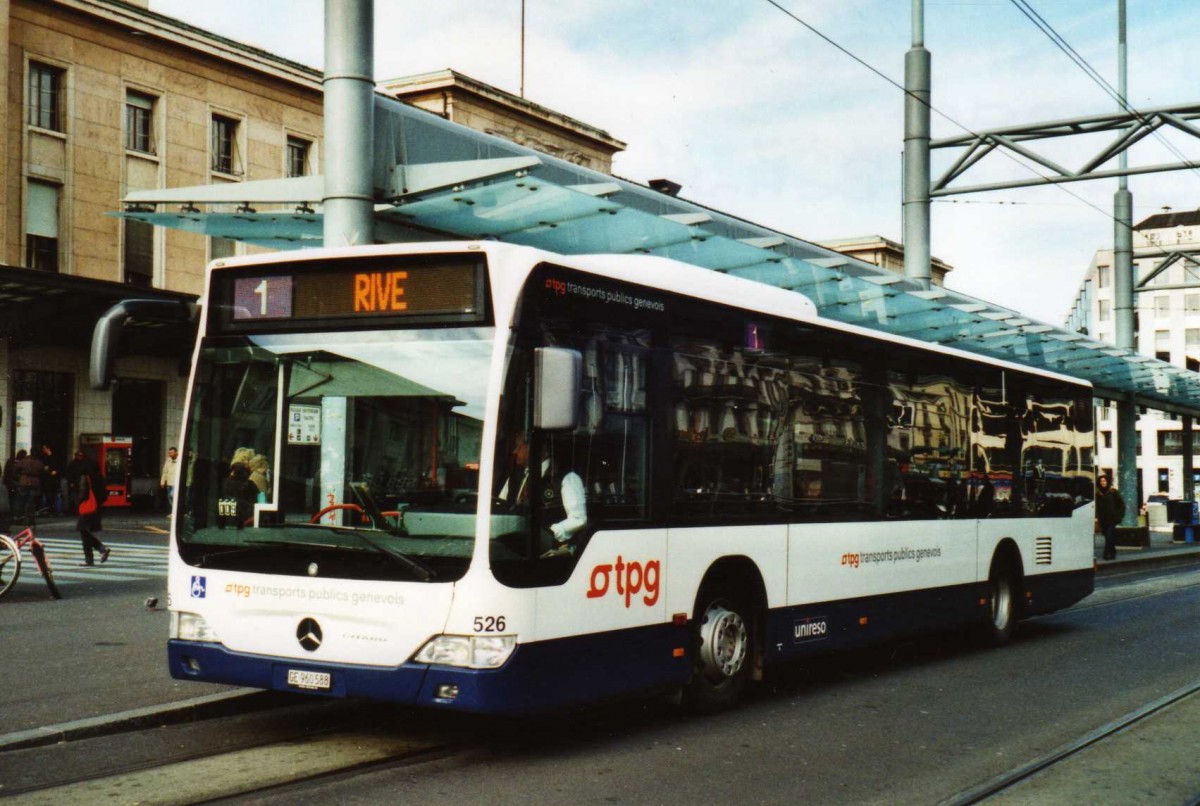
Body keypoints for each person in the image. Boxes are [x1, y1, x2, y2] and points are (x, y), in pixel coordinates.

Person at [76, 450, 110, 566]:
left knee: (83, 531)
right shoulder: (99, 475)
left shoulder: (85, 476)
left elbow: (82, 493)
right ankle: (100, 551)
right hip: (97, 507)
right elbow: (105, 493)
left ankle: (93, 556)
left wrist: (79, 503)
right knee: (86, 531)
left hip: (87, 507)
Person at [1096, 474, 1125, 561]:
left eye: (1104, 481)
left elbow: (1121, 504)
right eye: (1101, 481)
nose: (1103, 483)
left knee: (1109, 535)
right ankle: (1113, 551)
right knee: (1108, 535)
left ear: (1107, 482)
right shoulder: (1098, 494)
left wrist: (1119, 515)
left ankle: (1107, 553)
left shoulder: (1113, 492)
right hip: (1103, 519)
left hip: (1112, 518)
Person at [14, 449, 43, 522]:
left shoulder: (24, 461)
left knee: (21, 501)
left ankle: (19, 518)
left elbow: (16, 469)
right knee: (31, 502)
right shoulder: (39, 462)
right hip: (34, 482)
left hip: (23, 481)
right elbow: (41, 472)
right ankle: (30, 519)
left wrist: (19, 477)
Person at [160, 446, 180, 510]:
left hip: (176, 483)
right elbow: (165, 471)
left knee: (173, 495)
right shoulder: (168, 460)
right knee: (169, 497)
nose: (170, 454)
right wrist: (162, 482)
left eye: (172, 453)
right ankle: (173, 511)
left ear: (176, 453)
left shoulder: (179, 461)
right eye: (169, 453)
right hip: (169, 482)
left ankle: (176, 510)